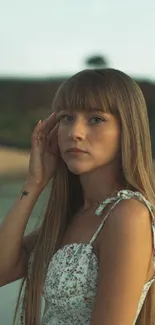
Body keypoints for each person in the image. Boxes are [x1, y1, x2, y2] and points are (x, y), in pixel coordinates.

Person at [0, 68, 155, 325]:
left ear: (126, 130)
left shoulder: (128, 215)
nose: (75, 133)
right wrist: (34, 183)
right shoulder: (72, 215)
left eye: (95, 119)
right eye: (67, 118)